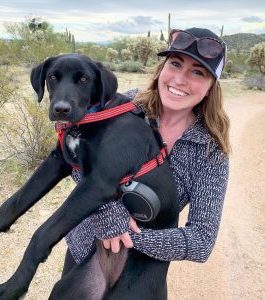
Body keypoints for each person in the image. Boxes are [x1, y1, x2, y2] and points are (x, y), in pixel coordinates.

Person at [64, 27, 231, 296]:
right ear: (162, 67)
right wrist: (107, 213)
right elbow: (75, 151)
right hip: (85, 248)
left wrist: (132, 236)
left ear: (212, 85)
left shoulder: (211, 151)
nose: (179, 79)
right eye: (175, 63)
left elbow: (201, 241)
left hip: (142, 274)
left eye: (197, 72)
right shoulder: (126, 105)